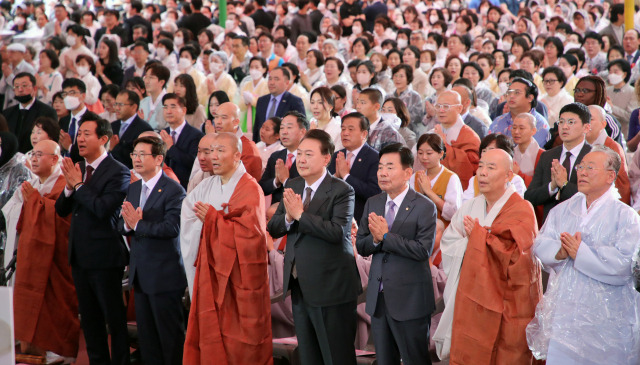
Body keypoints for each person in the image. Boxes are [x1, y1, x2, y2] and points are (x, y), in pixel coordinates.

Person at [527, 146, 640, 365]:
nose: (582, 172)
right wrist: (558, 253)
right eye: (581, 166)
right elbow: (540, 243)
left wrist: (581, 254)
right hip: (565, 313)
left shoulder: (626, 217)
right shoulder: (563, 209)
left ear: (610, 176)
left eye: (590, 167)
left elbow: (626, 266)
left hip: (607, 318)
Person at [434, 148, 542, 363]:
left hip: (507, 302)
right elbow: (448, 243)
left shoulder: (522, 209)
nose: (482, 172)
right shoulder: (469, 207)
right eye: (480, 166)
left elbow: (520, 257)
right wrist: (474, 241)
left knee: (506, 352)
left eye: (490, 167)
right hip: (470, 297)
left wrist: (479, 239)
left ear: (509, 175)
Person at [267, 129, 361, 365]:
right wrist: (289, 218)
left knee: (336, 357)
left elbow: (337, 232)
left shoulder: (342, 190)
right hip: (300, 286)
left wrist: (300, 215)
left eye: (309, 154)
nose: (302, 159)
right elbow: (274, 226)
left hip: (332, 287)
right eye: (299, 154)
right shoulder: (294, 184)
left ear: (327, 158)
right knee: (308, 357)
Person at [181, 133, 272, 363]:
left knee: (241, 347)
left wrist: (214, 220)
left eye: (221, 150)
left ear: (237, 155)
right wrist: (214, 221)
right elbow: (188, 216)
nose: (214, 156)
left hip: (239, 282)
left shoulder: (250, 189)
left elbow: (252, 237)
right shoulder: (205, 186)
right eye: (212, 151)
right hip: (212, 276)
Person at [54, 113, 131, 365]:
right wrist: (68, 187)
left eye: (87, 134)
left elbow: (103, 209)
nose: (80, 138)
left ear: (104, 139)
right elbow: (61, 210)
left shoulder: (118, 172)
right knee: (90, 321)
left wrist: (78, 186)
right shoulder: (78, 169)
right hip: (80, 256)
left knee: (114, 320)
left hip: (106, 258)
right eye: (79, 134)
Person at [356, 142, 436, 364]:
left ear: (408, 172)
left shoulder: (424, 206)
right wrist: (374, 239)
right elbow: (362, 245)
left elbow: (423, 250)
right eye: (380, 167)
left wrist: (386, 237)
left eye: (390, 167)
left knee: (414, 359)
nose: (382, 173)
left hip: (410, 300)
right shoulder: (373, 202)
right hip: (379, 298)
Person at [4, 140, 79, 360]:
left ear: (55, 159)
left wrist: (35, 202)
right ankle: (32, 348)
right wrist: (27, 201)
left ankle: (57, 351)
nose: (34, 158)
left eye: (40, 154)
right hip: (32, 258)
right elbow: (13, 216)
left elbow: (64, 219)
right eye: (33, 154)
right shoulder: (32, 184)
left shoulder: (63, 184)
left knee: (56, 302)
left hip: (57, 259)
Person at [117, 136, 186, 365]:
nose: (136, 159)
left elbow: (172, 227)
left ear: (158, 158)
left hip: (164, 275)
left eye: (142, 154)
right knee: (147, 340)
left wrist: (138, 225)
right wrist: (128, 224)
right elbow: (122, 224)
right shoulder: (135, 187)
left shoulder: (173, 189)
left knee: (169, 337)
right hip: (141, 273)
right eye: (134, 154)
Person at [525, 103, 593, 223]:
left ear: (586, 127)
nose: (564, 127)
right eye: (561, 122)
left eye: (571, 122)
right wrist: (552, 186)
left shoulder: (594, 156)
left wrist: (564, 184)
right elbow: (530, 197)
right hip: (550, 228)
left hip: (582, 226)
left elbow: (593, 197)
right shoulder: (547, 156)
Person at [328, 112, 381, 222]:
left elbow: (374, 192)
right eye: (343, 129)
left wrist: (346, 176)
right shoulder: (336, 156)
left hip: (360, 219)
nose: (345, 133)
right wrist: (335, 177)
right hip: (333, 217)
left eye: (351, 129)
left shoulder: (375, 158)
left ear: (364, 133)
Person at [411, 133, 463, 234]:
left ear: (440, 153)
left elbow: (453, 213)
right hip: (418, 231)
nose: (424, 157)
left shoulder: (451, 178)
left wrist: (429, 192)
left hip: (444, 233)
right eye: (420, 153)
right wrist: (421, 195)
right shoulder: (415, 177)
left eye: (429, 153)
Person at [433, 90, 480, 191]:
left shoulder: (470, 137)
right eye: (438, 106)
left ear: (459, 108)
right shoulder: (432, 133)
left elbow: (469, 170)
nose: (441, 110)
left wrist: (444, 146)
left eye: (446, 106)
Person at [259, 111, 308, 204]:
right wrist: (276, 181)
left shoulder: (309, 158)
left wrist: (285, 180)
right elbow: (262, 187)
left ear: (302, 132)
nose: (284, 132)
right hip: (275, 215)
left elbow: (307, 190)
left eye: (289, 127)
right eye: (282, 128)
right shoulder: (276, 156)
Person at [585, 105, 630, 205]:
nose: (586, 123)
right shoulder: (581, 145)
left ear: (603, 124)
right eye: (583, 119)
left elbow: (621, 186)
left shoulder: (612, 148)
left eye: (590, 119)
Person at [159, 93, 204, 189]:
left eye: (173, 107)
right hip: (162, 186)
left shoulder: (196, 135)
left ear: (183, 110)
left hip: (185, 186)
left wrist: (171, 148)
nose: (168, 111)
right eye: (165, 107)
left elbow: (194, 163)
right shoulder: (161, 134)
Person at [4, 72, 58, 153]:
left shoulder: (47, 112)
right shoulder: (7, 113)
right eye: (17, 86)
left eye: (24, 86)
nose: (20, 89)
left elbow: (53, 139)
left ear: (35, 89)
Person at [489, 77, 550, 146]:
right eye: (509, 92)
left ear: (530, 98)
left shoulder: (540, 125)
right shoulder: (498, 121)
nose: (511, 96)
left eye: (517, 93)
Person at [210, 102, 263, 181]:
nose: (218, 122)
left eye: (224, 118)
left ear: (236, 122)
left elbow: (239, 180)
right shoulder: (214, 143)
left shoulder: (248, 149)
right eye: (216, 117)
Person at [253, 67, 306, 143]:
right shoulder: (262, 100)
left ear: (287, 83)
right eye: (270, 79)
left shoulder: (294, 101)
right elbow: (256, 128)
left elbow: (301, 128)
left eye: (276, 79)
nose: (272, 82)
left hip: (284, 147)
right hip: (261, 146)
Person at [110, 89, 153, 168]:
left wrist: (115, 148)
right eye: (116, 104)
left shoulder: (144, 129)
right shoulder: (112, 126)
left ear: (134, 107)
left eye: (121, 105)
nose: (117, 108)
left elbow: (140, 158)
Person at [58, 78, 90, 163]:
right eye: (65, 94)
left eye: (72, 93)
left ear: (83, 96)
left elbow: (91, 151)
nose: (68, 97)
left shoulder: (92, 120)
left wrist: (69, 147)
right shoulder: (63, 120)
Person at [0, 43, 37, 111]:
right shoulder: (9, 67)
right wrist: (5, 76)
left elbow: (24, 88)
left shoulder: (28, 68)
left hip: (22, 105)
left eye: (13, 52)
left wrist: (10, 76)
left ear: (22, 54)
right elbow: (1, 89)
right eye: (9, 52)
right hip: (7, 106)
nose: (10, 54)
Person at [512, 113, 544, 187]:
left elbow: (540, 185)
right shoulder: (510, 153)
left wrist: (518, 173)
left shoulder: (542, 155)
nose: (516, 132)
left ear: (533, 131)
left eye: (521, 128)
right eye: (514, 128)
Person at [140, 63, 170, 130]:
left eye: (151, 77)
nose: (146, 81)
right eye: (146, 77)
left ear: (161, 82)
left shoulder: (169, 103)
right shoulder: (143, 102)